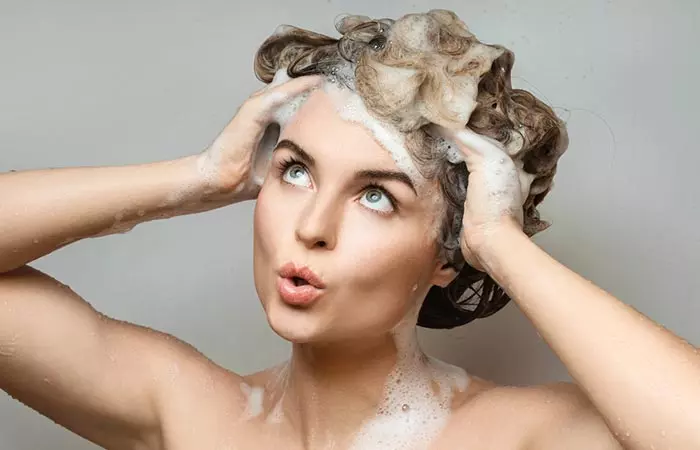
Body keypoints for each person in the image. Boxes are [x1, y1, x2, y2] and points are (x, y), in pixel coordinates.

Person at [1, 10, 699, 450]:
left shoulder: (524, 436)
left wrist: (498, 243)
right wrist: (201, 176)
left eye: (375, 195)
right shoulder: (185, 413)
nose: (311, 228)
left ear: (446, 258)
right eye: (296, 173)